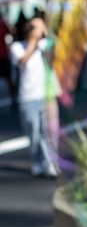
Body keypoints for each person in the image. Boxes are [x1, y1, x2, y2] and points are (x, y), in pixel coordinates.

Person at [9, 16, 57, 178]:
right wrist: (33, 40)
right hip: (27, 98)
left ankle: (48, 163)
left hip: (43, 95)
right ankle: (37, 161)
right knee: (34, 133)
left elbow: (54, 45)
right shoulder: (17, 47)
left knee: (45, 132)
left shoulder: (43, 46)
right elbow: (23, 60)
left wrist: (44, 30)